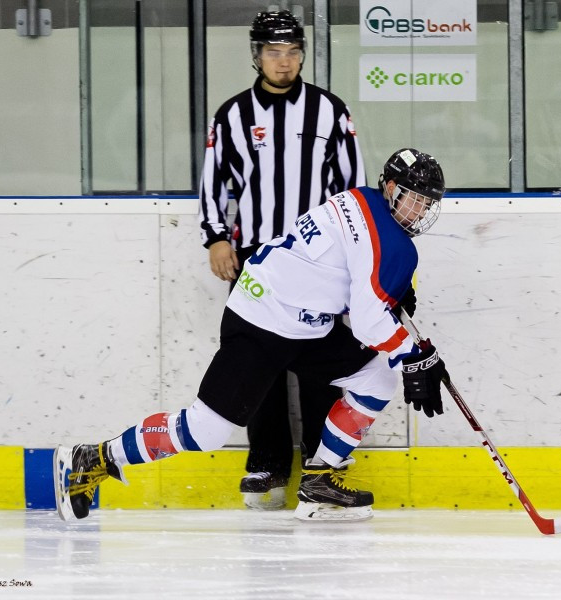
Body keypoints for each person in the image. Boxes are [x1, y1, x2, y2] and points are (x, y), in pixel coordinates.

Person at [55, 148, 448, 523]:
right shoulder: (394, 244)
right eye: (415, 198)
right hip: (261, 319)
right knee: (205, 430)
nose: (422, 210)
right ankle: (95, 458)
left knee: (375, 380)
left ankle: (318, 480)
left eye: (429, 203)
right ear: (392, 189)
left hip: (301, 322)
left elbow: (341, 274)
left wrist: (389, 293)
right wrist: (413, 355)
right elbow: (365, 321)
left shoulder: (359, 198)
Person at [198, 10, 367, 510]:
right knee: (258, 364)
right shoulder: (231, 115)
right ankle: (267, 462)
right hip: (256, 261)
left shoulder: (330, 111)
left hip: (319, 263)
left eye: (293, 52)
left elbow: (352, 188)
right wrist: (215, 238)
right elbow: (214, 182)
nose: (284, 61)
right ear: (257, 56)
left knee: (323, 362)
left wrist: (355, 256)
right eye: (274, 52)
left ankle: (321, 466)